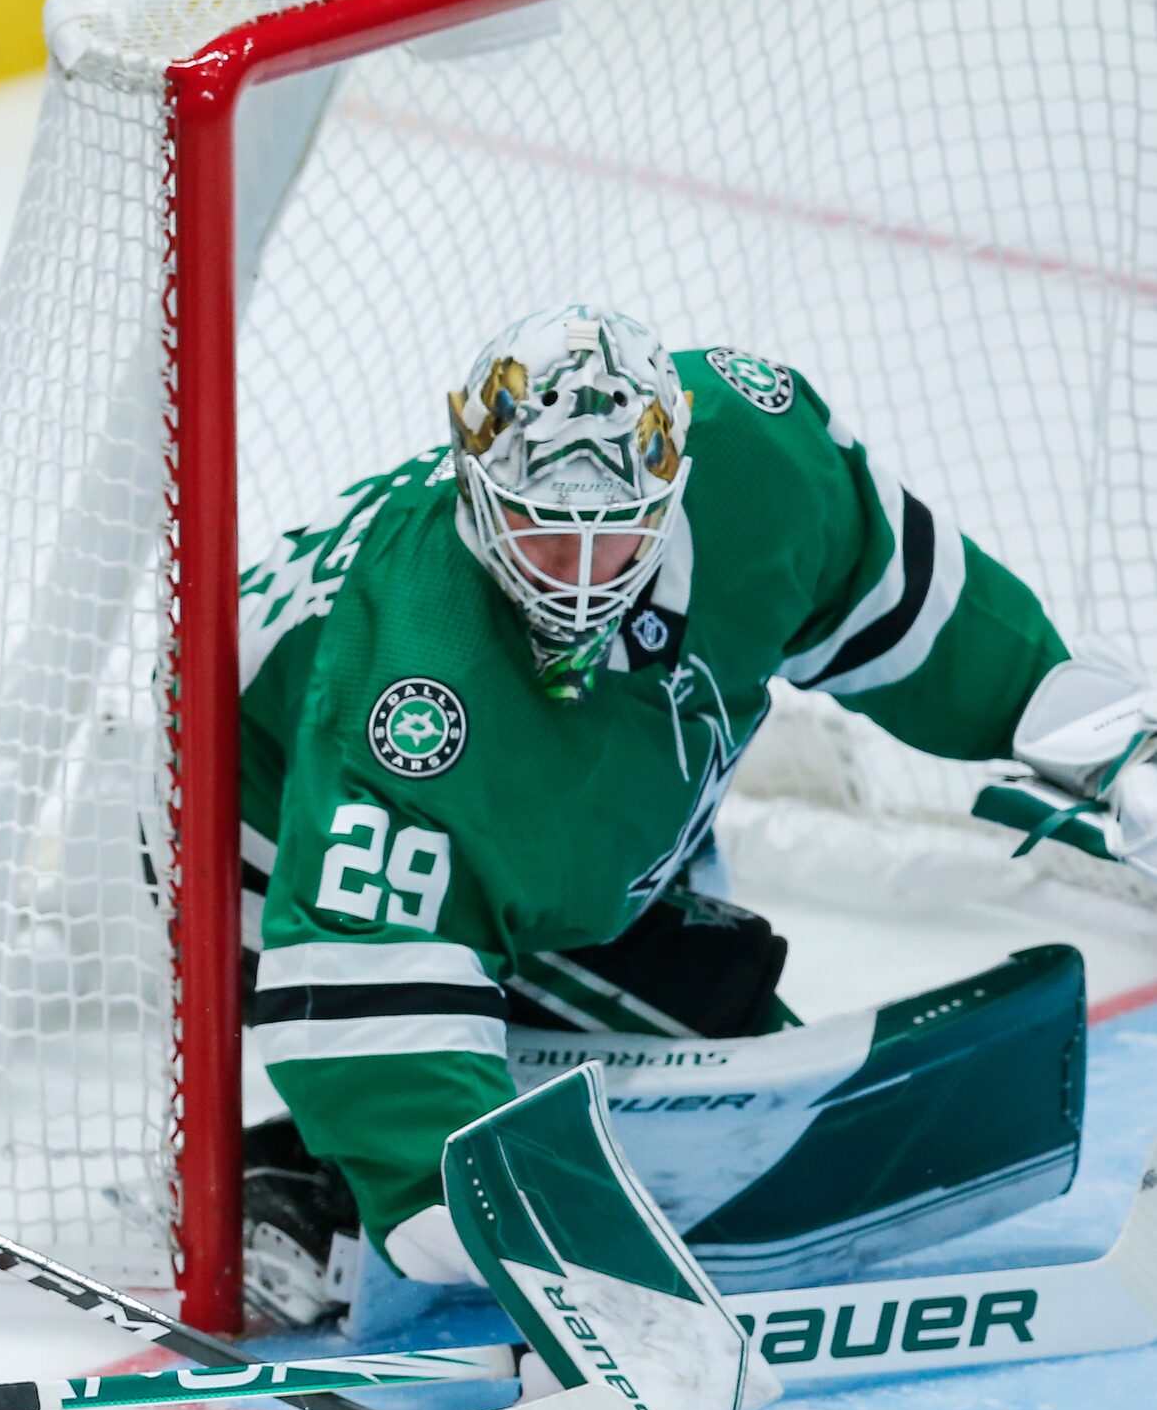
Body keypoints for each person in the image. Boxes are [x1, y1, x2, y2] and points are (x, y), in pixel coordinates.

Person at [235, 302, 1145, 1326]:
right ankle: (308, 1195)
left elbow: (918, 617)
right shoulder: (409, 676)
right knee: (728, 1092)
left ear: (675, 482)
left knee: (721, 1019)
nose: (579, 579)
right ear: (475, 484)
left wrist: (1110, 735)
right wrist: (452, 1198)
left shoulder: (761, 461)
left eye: (615, 532)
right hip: (251, 845)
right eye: (542, 531)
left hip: (553, 786)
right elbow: (356, 952)